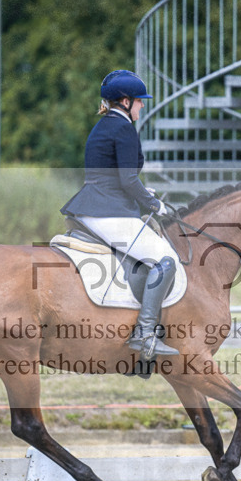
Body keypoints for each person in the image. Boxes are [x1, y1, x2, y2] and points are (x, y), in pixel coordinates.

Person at [60, 69, 179, 360]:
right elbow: (127, 180)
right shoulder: (123, 128)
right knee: (165, 261)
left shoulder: (105, 124)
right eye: (140, 101)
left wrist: (143, 194)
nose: (142, 106)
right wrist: (155, 205)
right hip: (108, 211)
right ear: (125, 101)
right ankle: (145, 335)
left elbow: (117, 178)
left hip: (95, 205)